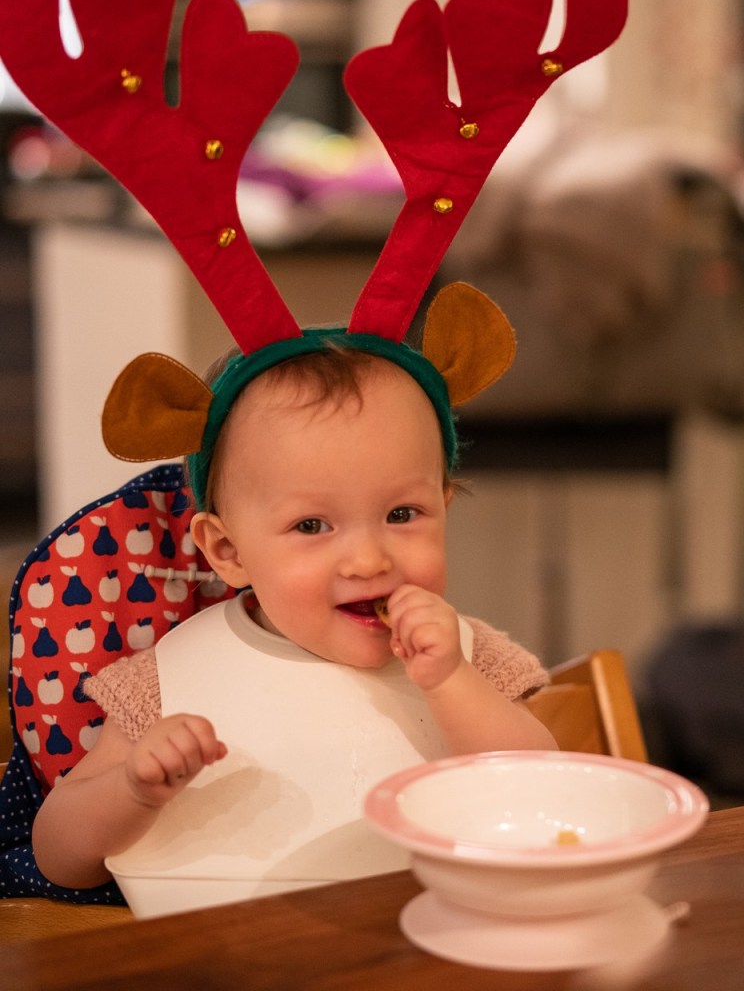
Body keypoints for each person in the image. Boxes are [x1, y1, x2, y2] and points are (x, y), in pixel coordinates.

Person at [30, 340, 556, 893]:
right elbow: (58, 858)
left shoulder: (471, 659)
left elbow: (545, 792)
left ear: (444, 507)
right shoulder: (168, 684)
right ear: (228, 551)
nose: (369, 560)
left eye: (402, 514)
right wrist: (133, 791)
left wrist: (452, 683)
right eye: (311, 526)